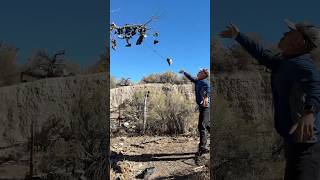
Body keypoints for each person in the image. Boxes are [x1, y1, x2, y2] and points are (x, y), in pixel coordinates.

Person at [220, 19, 320, 180]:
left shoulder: (303, 64)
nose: (284, 33)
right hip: (293, 143)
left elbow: (316, 86)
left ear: (298, 41)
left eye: (290, 32)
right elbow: (261, 54)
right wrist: (238, 36)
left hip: (307, 148)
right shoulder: (285, 62)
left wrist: (310, 111)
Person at [179, 69, 211, 156]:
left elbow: (207, 90)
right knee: (207, 125)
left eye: (200, 72)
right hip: (202, 106)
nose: (198, 73)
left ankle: (203, 148)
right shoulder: (198, 81)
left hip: (206, 106)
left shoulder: (205, 82)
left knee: (202, 126)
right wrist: (184, 73)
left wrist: (206, 98)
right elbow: (191, 77)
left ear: (204, 74)